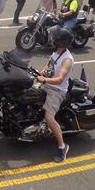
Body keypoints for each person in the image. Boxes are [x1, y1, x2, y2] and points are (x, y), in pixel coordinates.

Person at [35, 28, 74, 162]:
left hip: (57, 90)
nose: (52, 39)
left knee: (49, 116)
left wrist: (44, 80)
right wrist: (39, 74)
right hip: (47, 84)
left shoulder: (67, 59)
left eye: (54, 38)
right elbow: (48, 67)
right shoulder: (56, 53)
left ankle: (62, 147)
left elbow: (60, 79)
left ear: (60, 42)